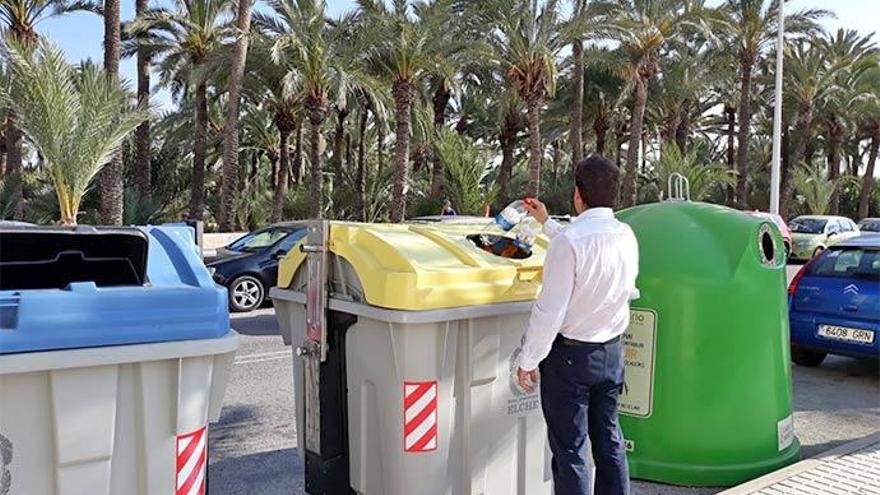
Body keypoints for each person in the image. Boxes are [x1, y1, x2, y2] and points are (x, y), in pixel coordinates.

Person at [516, 155, 639, 495]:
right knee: (610, 442)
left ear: (577, 195)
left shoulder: (568, 243)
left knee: (571, 452)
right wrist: (545, 222)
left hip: (570, 361)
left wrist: (528, 360)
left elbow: (549, 312)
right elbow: (588, 249)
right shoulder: (626, 236)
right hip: (612, 355)